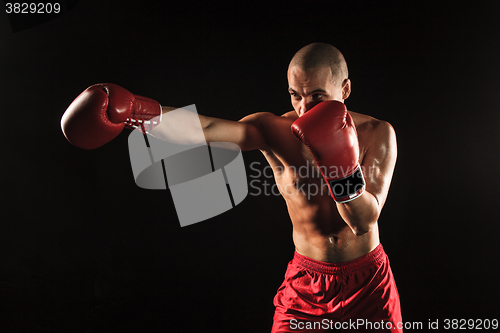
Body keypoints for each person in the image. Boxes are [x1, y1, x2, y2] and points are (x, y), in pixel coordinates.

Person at [61, 42, 401, 332]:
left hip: (367, 283)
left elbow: (362, 221)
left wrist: (340, 162)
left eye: (317, 96)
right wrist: (137, 111)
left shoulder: (378, 133)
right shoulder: (274, 130)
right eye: (296, 95)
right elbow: (206, 128)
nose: (303, 108)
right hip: (305, 285)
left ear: (345, 90)